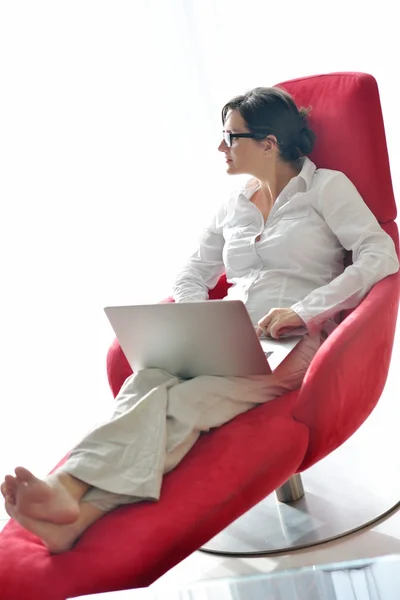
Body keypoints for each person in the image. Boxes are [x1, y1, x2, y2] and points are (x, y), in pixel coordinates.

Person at [1, 87, 399, 554]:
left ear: (269, 143)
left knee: (191, 399)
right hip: (228, 336)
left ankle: (68, 490)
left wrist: (304, 310)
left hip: (292, 344)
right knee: (144, 381)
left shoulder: (327, 189)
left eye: (230, 136)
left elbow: (380, 254)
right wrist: (198, 318)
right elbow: (193, 271)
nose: (220, 147)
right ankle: (73, 513)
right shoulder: (234, 203)